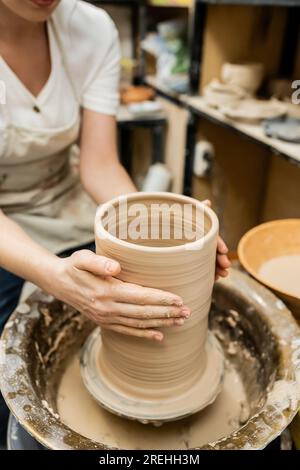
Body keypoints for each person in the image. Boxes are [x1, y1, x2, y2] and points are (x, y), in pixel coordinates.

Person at [0, 0, 230, 446]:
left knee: (135, 284)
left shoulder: (90, 28)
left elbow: (100, 166)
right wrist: (55, 276)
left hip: (66, 205)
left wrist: (165, 229)